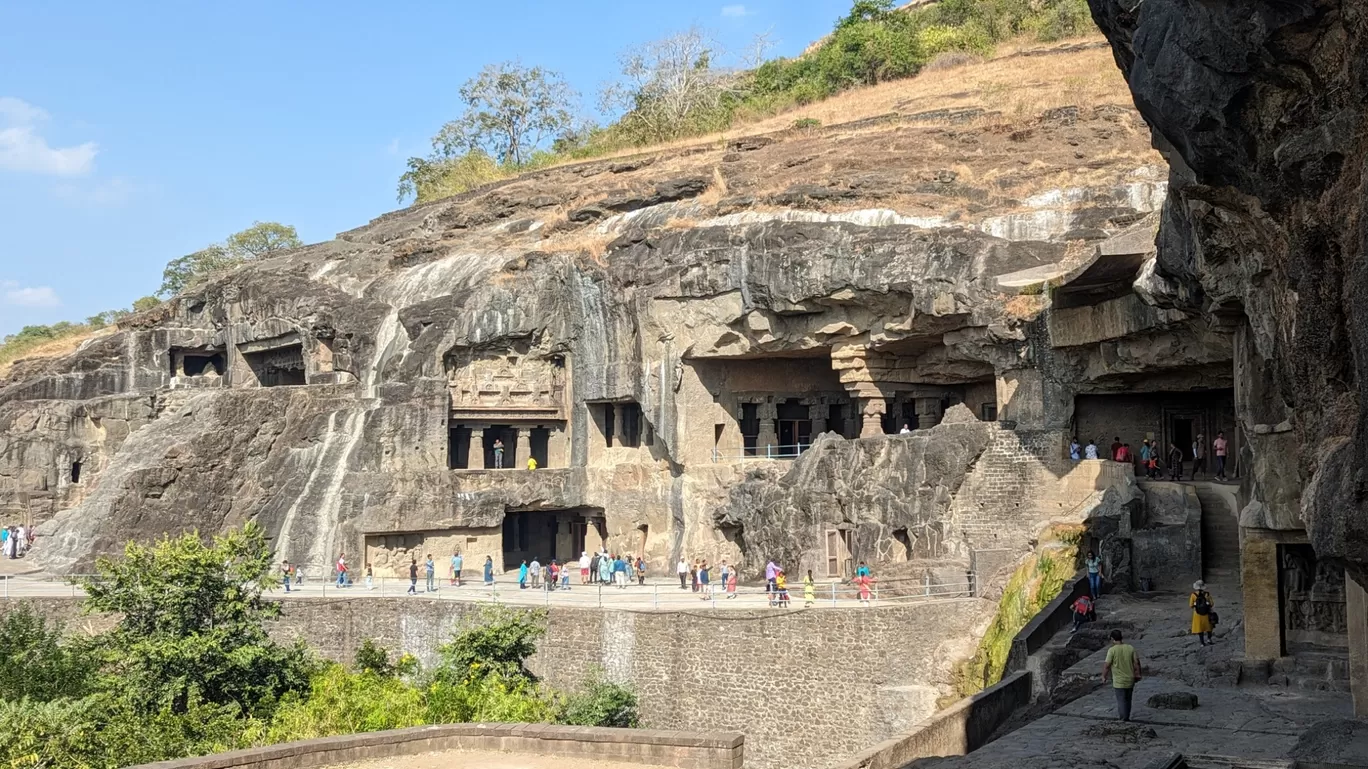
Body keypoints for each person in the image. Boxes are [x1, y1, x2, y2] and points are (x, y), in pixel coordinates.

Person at [1103, 629, 1141, 721]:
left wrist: (1103, 676)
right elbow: (1137, 663)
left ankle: (1123, 719)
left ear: (1112, 638)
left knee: (1121, 700)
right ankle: (1127, 717)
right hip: (1130, 679)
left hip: (1119, 681)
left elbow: (1107, 665)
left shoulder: (1112, 650)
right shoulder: (1130, 648)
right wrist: (1138, 674)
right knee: (1128, 700)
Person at [1191, 580, 1215, 645]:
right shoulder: (1207, 594)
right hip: (1207, 613)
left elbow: (1190, 605)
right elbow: (1212, 603)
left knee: (1200, 628)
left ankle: (1202, 643)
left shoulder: (1193, 595)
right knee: (1209, 627)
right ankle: (1209, 639)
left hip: (1197, 614)